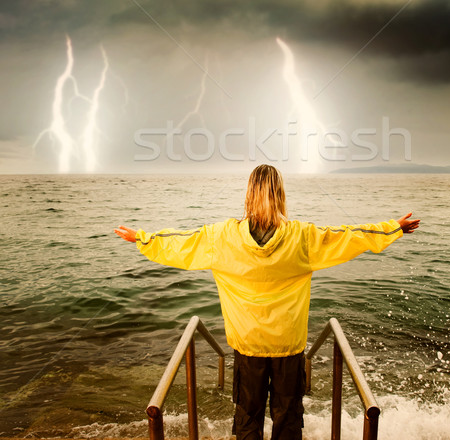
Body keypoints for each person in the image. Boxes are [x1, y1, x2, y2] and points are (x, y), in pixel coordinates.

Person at [115, 164, 419, 440]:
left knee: (248, 417)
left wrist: (142, 238)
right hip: (288, 345)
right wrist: (393, 228)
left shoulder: (222, 238)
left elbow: (179, 243)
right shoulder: (301, 237)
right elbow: (349, 237)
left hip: (248, 345)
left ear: (248, 194)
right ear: (280, 194)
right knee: (287, 419)